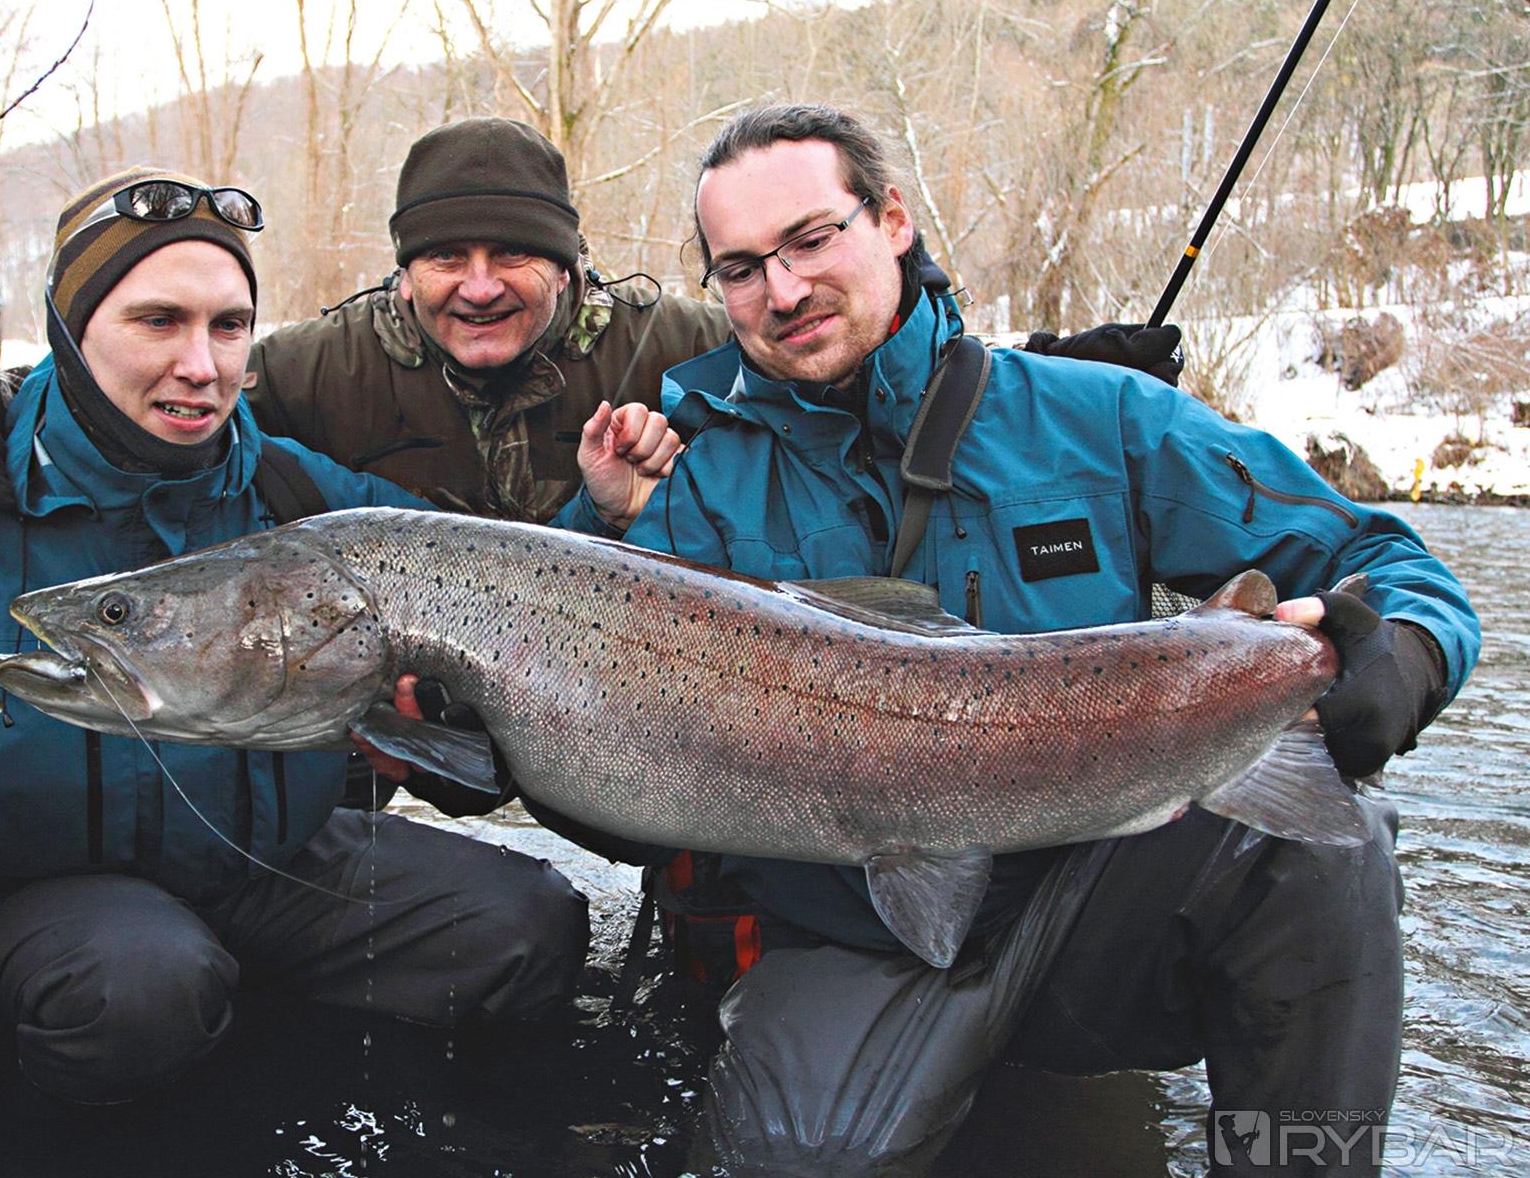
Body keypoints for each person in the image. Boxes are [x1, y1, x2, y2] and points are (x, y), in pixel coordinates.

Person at [0, 167, 677, 1105]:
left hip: (271, 872)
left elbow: (502, 597)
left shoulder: (293, 491)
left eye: (229, 326)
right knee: (140, 988)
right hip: (35, 908)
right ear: (72, 330)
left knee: (526, 929)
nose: (201, 366)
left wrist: (602, 514)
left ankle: (245, 1014)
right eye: (158, 320)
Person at [0, 117, 1182, 817]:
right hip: (401, 714)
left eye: (516, 257)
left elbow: (819, 336)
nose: (479, 283)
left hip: (604, 696)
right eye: (446, 256)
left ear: (569, 264)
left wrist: (1035, 369)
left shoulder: (668, 340)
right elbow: (139, 383)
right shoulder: (314, 364)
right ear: (404, 270)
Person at [619, 104, 1479, 1176]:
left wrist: (1404, 655)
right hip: (850, 929)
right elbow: (590, 708)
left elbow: (1382, 557)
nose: (783, 291)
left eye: (810, 239)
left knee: (1323, 837)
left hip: (1094, 901)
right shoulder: (693, 486)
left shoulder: (1101, 418)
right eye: (742, 268)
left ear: (892, 220)